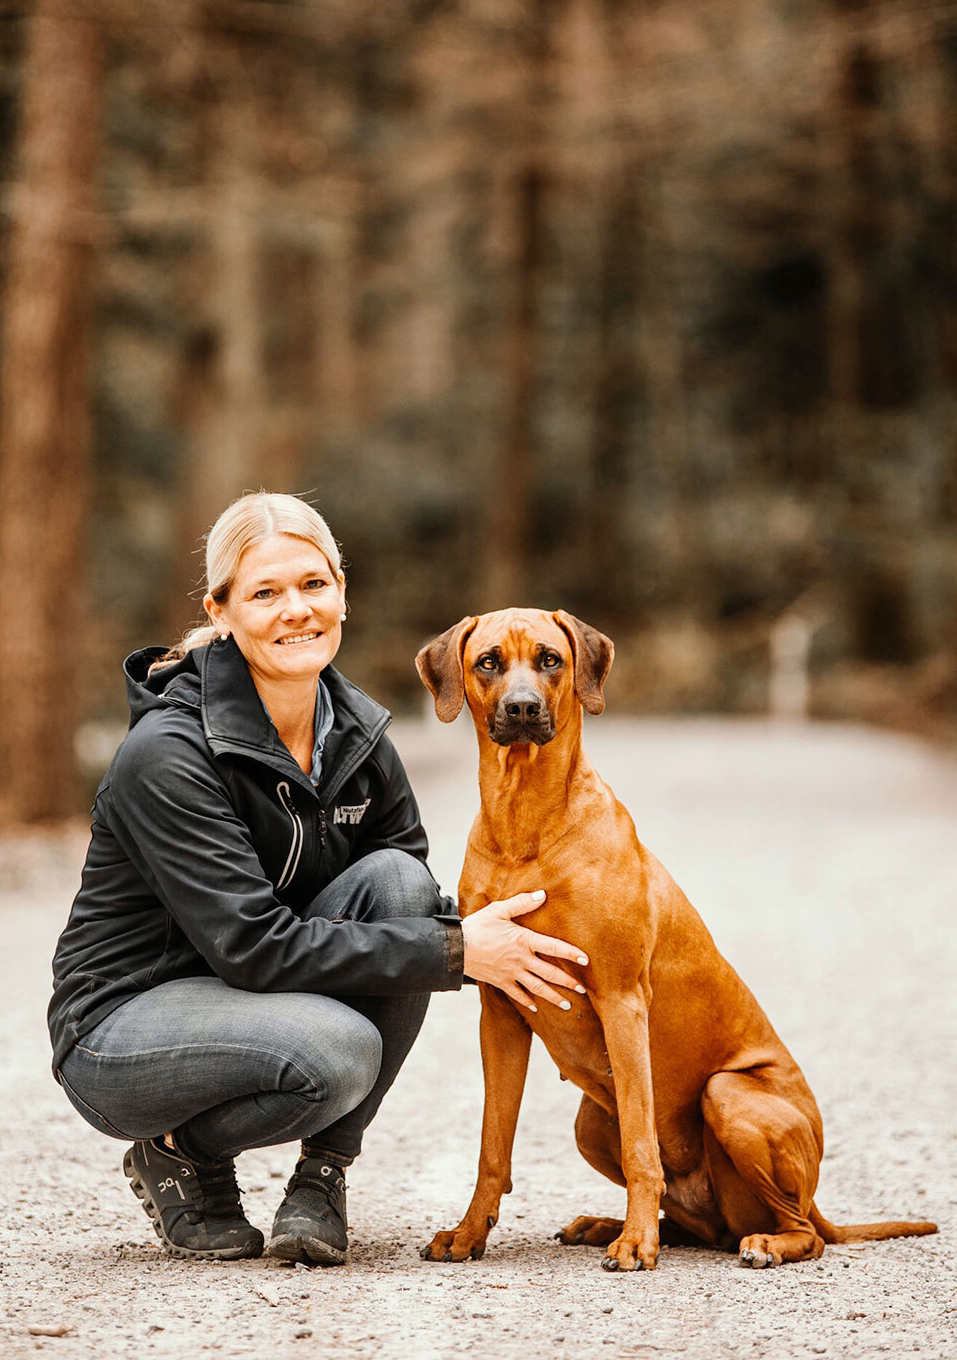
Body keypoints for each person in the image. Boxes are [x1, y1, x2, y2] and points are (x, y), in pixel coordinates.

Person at [49, 492, 586, 1266]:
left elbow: (402, 908)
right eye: (265, 593)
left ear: (342, 592)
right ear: (221, 610)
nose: (295, 611)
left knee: (404, 886)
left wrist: (454, 940)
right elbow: (253, 949)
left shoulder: (359, 735)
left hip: (255, 997)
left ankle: (322, 1178)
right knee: (339, 1049)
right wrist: (458, 953)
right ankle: (175, 1150)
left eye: (312, 585)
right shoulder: (168, 752)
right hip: (124, 1027)